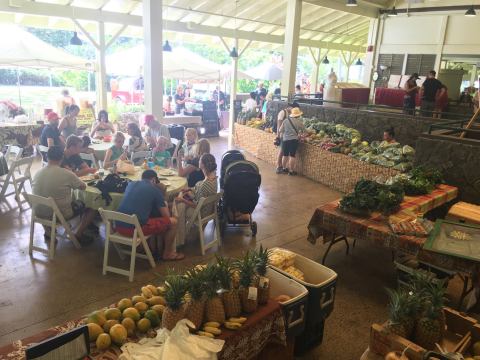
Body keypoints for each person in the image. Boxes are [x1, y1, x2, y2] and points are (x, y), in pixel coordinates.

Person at [116, 169, 183, 261]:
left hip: (118, 226)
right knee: (173, 222)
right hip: (133, 230)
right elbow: (166, 217)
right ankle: (168, 253)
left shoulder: (130, 184)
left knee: (147, 217)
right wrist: (164, 201)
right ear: (154, 180)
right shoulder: (155, 190)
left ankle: (143, 247)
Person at [32, 146, 95, 243]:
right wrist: (72, 174)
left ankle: (48, 231)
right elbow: (83, 187)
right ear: (62, 158)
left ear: (47, 157)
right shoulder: (66, 173)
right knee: (91, 207)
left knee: (49, 198)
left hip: (38, 212)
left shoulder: (37, 173)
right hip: (59, 214)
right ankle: (78, 235)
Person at [173, 154, 218, 246]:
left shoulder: (204, 185)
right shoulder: (214, 178)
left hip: (201, 213)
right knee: (183, 201)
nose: (198, 162)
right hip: (210, 210)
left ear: (202, 165)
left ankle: (179, 240)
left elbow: (196, 205)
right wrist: (190, 189)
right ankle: (181, 236)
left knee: (179, 207)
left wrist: (182, 200)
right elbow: (201, 191)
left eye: (200, 160)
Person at [278, 107, 305, 176]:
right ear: (298, 115)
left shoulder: (286, 120)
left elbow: (280, 130)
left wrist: (285, 132)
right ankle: (291, 171)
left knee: (285, 155)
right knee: (292, 155)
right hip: (294, 140)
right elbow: (304, 131)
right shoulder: (299, 122)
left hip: (285, 140)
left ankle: (284, 169)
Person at [275, 102, 299, 174]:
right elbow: (279, 125)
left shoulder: (290, 114)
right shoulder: (282, 112)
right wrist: (278, 136)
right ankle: (279, 166)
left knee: (284, 152)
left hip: (286, 135)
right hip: (283, 135)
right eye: (294, 109)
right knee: (282, 151)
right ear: (290, 107)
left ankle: (283, 167)